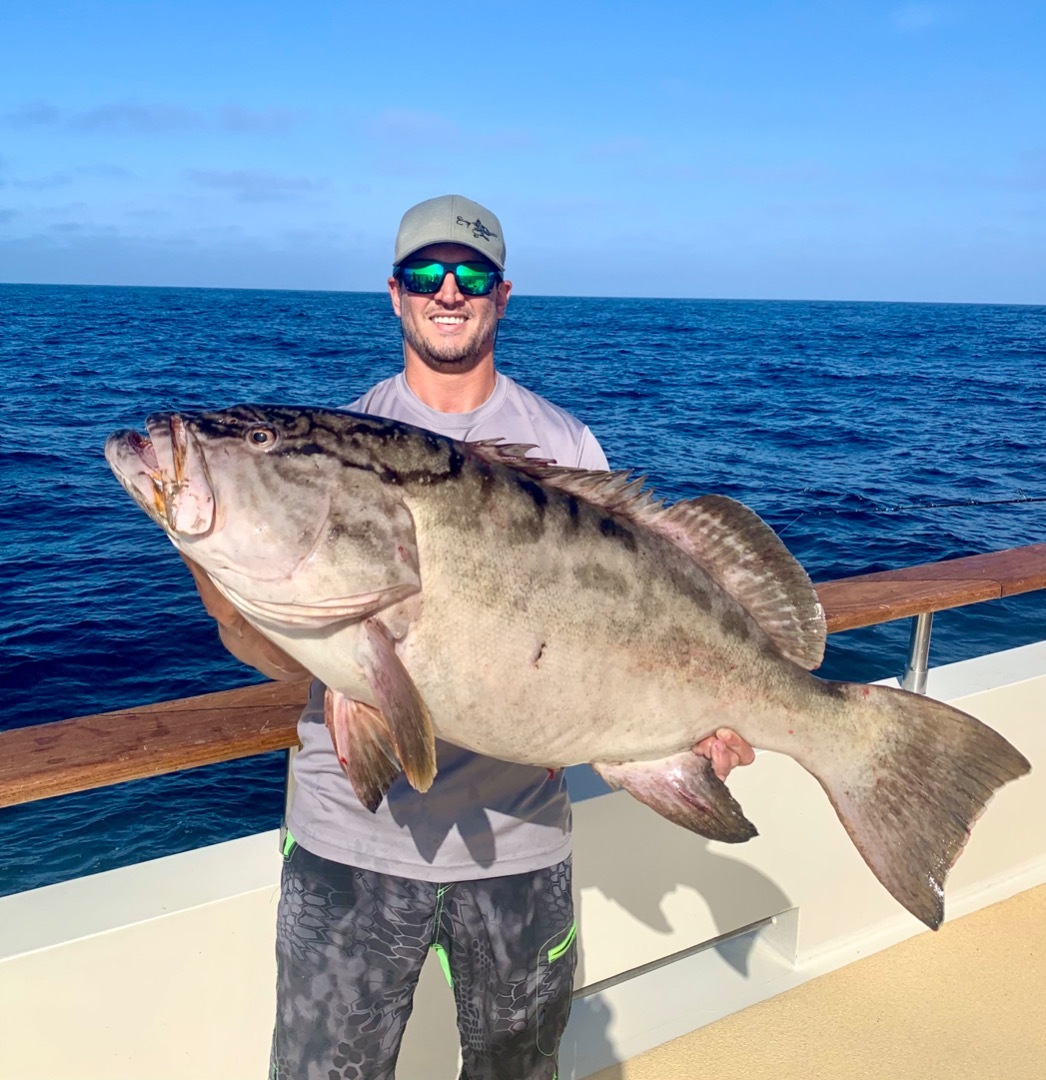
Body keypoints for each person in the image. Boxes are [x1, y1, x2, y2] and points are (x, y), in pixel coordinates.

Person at [187, 194, 755, 1080]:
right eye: (425, 273)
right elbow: (281, 653)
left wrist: (697, 724)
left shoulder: (566, 444)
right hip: (351, 842)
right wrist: (223, 584)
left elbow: (629, 623)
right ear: (394, 293)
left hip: (521, 846)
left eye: (471, 274)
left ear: (501, 294)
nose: (447, 291)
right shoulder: (347, 439)